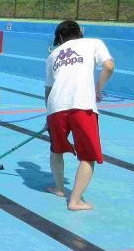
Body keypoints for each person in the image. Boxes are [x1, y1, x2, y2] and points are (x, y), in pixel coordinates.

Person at [44, 20, 114, 212]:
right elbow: (109, 66)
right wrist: (98, 89)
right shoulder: (93, 43)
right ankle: (75, 201)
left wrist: (48, 116)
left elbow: (48, 90)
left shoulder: (52, 55)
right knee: (88, 155)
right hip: (82, 105)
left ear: (59, 37)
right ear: (80, 32)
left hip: (55, 107)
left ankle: (59, 188)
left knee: (56, 150)